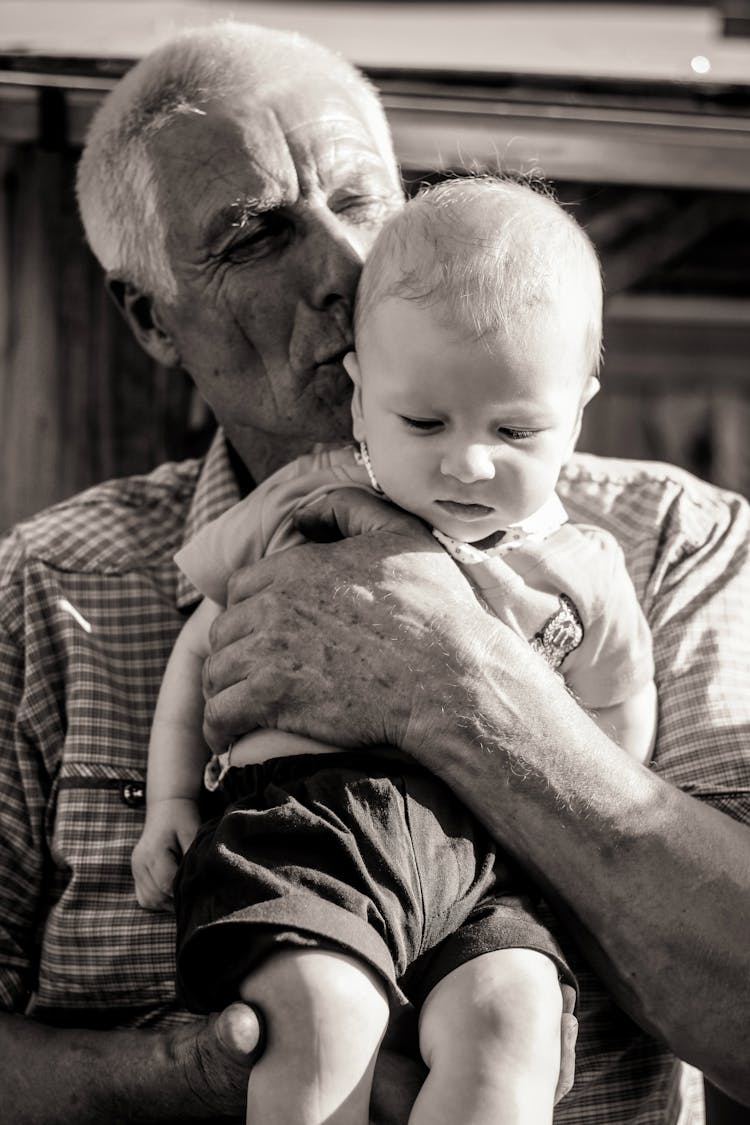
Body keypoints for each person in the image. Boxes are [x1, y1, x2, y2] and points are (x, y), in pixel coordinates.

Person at [0, 17, 747, 1125]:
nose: (347, 271)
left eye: (364, 203)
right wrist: (200, 1072)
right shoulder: (49, 594)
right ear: (150, 317)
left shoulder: (671, 543)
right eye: (258, 234)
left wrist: (462, 688)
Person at [132, 176, 657, 1124]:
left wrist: (578, 852)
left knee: (515, 1022)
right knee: (321, 1017)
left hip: (491, 852)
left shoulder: (582, 570)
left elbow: (620, 711)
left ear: (578, 406)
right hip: (308, 825)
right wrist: (170, 797)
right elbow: (203, 642)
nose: (468, 461)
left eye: (516, 430)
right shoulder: (306, 504)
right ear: (364, 395)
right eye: (425, 423)